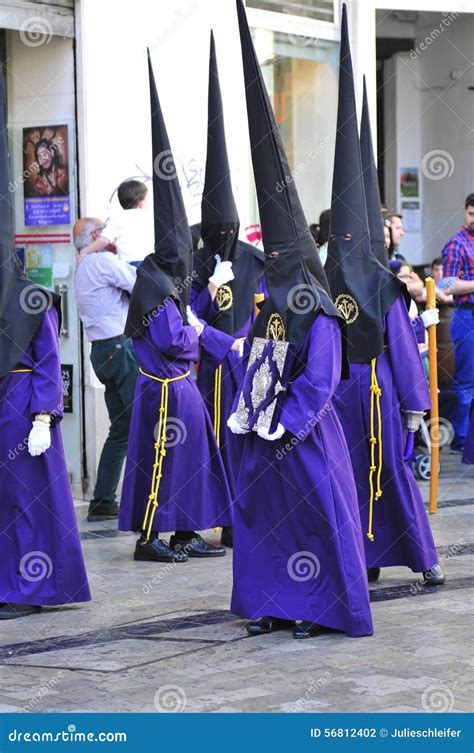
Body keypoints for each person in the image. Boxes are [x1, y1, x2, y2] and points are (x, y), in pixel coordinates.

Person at [227, 1, 373, 641]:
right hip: (264, 428)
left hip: (303, 433)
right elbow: (248, 355)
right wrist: (212, 341)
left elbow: (318, 379)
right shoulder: (266, 306)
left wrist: (285, 422)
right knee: (265, 516)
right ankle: (272, 601)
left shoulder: (317, 314)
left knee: (313, 516)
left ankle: (315, 606)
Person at [325, 6, 443, 588]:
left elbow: (400, 342)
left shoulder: (384, 283)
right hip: (338, 396)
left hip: (376, 394)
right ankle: (363, 559)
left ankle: (422, 558)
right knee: (347, 478)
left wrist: (415, 405)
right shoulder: (322, 280)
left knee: (389, 476)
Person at [118, 51, 231, 563]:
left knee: (188, 464)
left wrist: (207, 296)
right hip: (163, 388)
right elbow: (171, 336)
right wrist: (199, 331)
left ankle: (183, 530)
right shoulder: (152, 282)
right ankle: (150, 537)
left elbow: (189, 318)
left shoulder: (169, 281)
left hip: (181, 386)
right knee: (161, 462)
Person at [0, 71, 90, 619]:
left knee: (27, 503)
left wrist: (42, 415)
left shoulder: (32, 298)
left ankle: (29, 588)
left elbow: (47, 360)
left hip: (22, 409)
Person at [189, 33, 265, 548]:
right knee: (206, 447)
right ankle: (208, 519)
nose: (224, 238)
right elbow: (183, 317)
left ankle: (242, 522)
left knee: (245, 445)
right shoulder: (192, 265)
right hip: (204, 370)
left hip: (249, 367)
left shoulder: (257, 261)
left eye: (229, 230)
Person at [74, 217, 139, 521]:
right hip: (119, 348)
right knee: (144, 420)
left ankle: (102, 501)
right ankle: (145, 502)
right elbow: (138, 283)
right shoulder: (102, 260)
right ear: (98, 235)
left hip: (100, 352)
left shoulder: (82, 266)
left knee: (122, 429)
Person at [441, 193, 474, 452]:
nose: (473, 219)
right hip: (466, 315)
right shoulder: (457, 244)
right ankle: (460, 439)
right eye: (471, 213)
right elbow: (447, 285)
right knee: (466, 380)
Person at [76, 180, 153, 267]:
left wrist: (85, 251)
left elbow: (104, 240)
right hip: (152, 264)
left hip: (130, 265)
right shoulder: (151, 216)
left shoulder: (117, 218)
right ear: (142, 203)